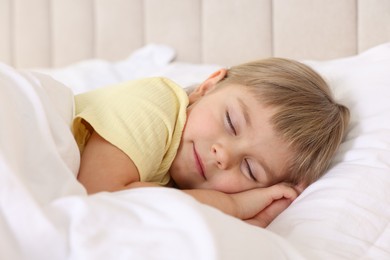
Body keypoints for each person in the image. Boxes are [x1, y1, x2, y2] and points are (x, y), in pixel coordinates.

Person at [72, 57, 350, 227]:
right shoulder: (155, 103)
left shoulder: (174, 185)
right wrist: (234, 207)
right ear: (209, 86)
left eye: (250, 170)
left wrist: (257, 220)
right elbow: (99, 196)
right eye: (231, 122)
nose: (223, 155)